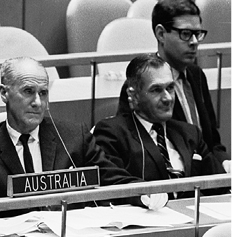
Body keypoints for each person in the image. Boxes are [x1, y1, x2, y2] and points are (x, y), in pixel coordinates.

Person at [0, 57, 165, 220]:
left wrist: (145, 193)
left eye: (43, 93)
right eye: (28, 91)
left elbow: (113, 179)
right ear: (3, 93)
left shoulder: (73, 136)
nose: (37, 102)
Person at [116, 0, 232, 171]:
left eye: (197, 34)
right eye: (186, 34)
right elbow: (136, 151)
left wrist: (225, 162)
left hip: (208, 175)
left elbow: (213, 141)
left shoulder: (196, 74)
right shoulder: (141, 83)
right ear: (161, 34)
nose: (194, 42)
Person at [95, 54, 227, 199]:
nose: (168, 98)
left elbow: (220, 185)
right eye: (156, 90)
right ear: (134, 95)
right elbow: (114, 183)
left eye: (170, 88)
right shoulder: (113, 133)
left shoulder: (190, 133)